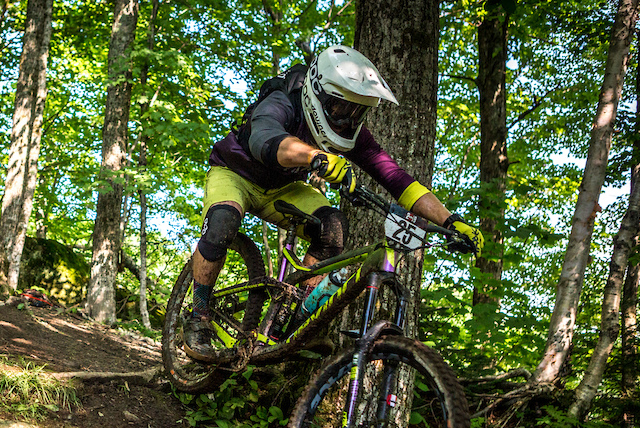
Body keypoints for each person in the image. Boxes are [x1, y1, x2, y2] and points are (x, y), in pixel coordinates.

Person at [184, 44, 483, 359]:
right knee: (222, 223)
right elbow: (265, 139)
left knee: (332, 226)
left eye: (357, 112)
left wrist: (451, 222)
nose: (347, 119)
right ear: (317, 94)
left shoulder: (355, 137)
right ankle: (199, 316)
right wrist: (314, 156)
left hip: (283, 189)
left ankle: (283, 322)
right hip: (235, 174)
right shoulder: (284, 103)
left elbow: (399, 180)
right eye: (340, 108)